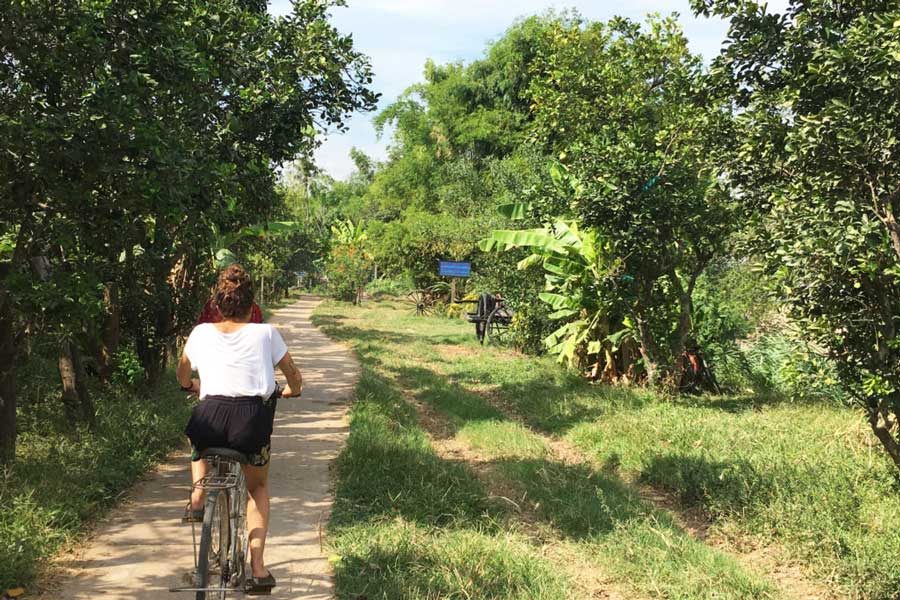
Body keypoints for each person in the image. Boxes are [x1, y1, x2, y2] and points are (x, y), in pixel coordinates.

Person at [177, 263, 302, 593]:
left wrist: (191, 385)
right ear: (253, 306)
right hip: (251, 422)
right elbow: (292, 374)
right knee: (257, 488)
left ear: (217, 305)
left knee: (197, 440)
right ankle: (258, 570)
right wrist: (292, 390)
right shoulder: (267, 333)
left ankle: (199, 497)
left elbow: (182, 373)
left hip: (210, 416)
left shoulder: (201, 332)